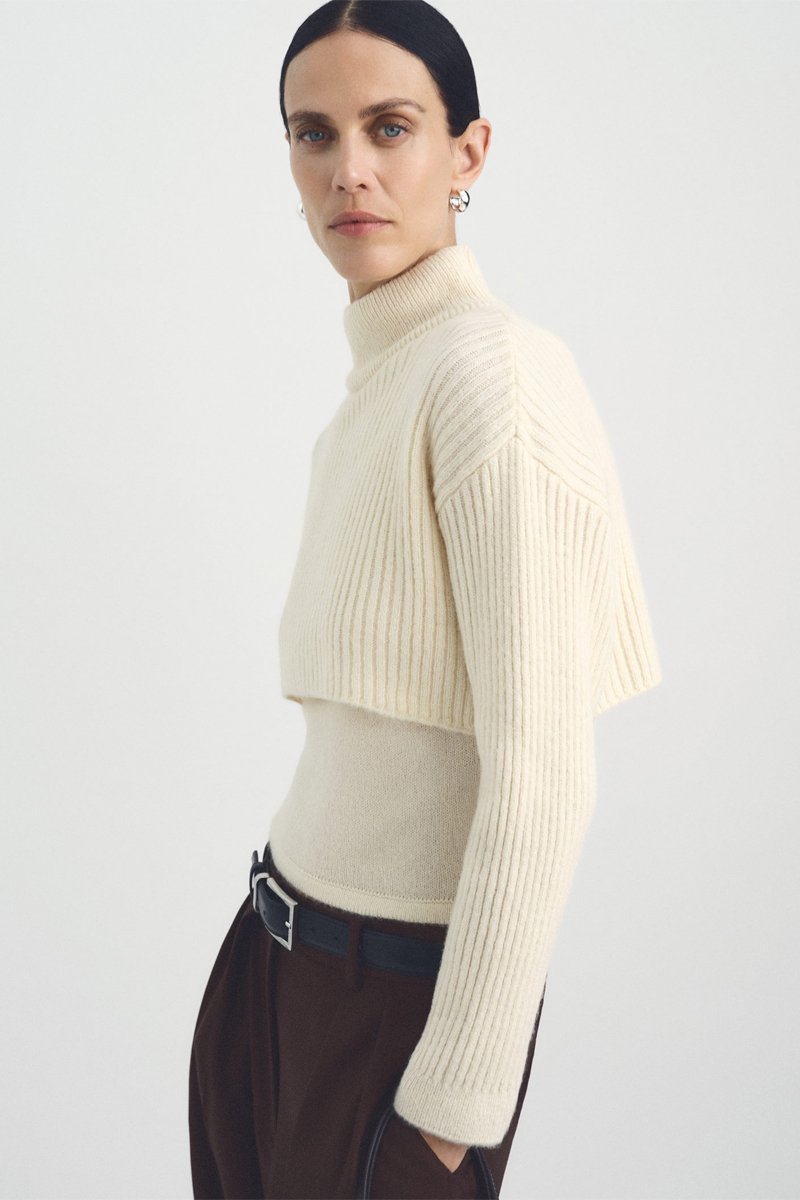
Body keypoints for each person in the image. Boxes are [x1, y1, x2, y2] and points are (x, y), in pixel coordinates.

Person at [188, 2, 663, 1197]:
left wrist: (448, 1118)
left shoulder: (491, 378)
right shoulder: (385, 379)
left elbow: (543, 778)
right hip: (276, 966)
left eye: (388, 127)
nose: (346, 169)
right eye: (312, 133)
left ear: (467, 152)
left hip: (396, 1008)